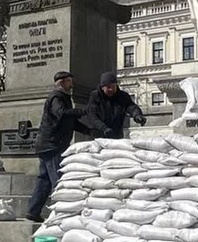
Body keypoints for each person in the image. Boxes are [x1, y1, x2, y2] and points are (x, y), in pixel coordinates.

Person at [25, 71, 88, 223]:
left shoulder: (63, 98)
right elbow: (61, 113)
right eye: (69, 81)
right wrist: (82, 111)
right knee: (58, 180)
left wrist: (90, 130)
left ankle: (33, 212)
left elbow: (69, 122)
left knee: (44, 180)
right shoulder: (56, 97)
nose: (71, 84)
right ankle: (61, 213)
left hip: (49, 144)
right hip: (52, 145)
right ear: (61, 83)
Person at [86, 72, 147, 139]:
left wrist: (137, 115)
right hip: (98, 134)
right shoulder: (95, 96)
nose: (111, 89)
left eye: (113, 86)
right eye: (108, 87)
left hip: (116, 134)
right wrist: (103, 128)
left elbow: (131, 107)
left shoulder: (123, 96)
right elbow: (92, 115)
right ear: (102, 87)